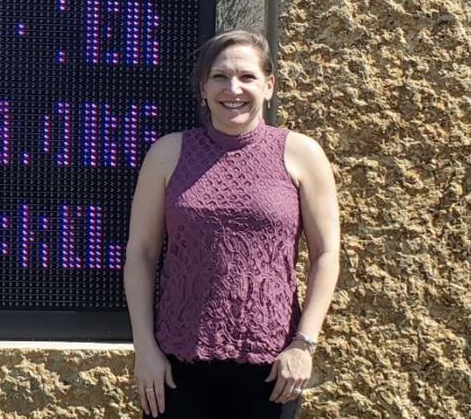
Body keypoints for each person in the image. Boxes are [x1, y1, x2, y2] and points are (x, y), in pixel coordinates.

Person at [124, 30, 341, 418]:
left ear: (269, 86)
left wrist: (303, 345)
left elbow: (326, 255)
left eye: (247, 77)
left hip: (272, 370)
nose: (233, 88)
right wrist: (145, 350)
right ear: (203, 88)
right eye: (220, 77)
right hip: (176, 367)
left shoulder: (301, 154)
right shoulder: (168, 153)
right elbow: (141, 253)